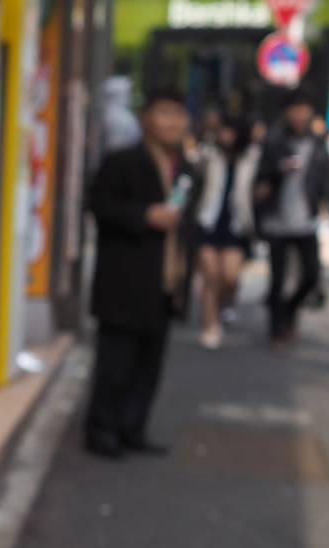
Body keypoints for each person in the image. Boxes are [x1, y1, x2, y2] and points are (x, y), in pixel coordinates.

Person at [84, 87, 194, 460]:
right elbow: (99, 205)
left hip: (165, 282)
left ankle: (133, 428)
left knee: (149, 365)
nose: (172, 122)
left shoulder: (186, 168)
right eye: (163, 113)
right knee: (115, 364)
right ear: (145, 118)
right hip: (124, 281)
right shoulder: (122, 161)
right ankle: (102, 430)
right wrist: (144, 216)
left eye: (178, 115)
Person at [254, 90, 329, 351]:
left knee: (311, 275)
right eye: (295, 109)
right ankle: (277, 329)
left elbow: (326, 178)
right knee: (277, 280)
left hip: (305, 219)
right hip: (277, 219)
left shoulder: (318, 142)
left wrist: (325, 206)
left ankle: (289, 312)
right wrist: (278, 171)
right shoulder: (274, 141)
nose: (300, 115)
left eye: (304, 108)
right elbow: (260, 177)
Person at [194, 118, 258, 348]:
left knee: (230, 277)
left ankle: (223, 306)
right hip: (208, 220)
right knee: (210, 276)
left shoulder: (251, 157)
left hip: (236, 224)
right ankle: (209, 325)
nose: (225, 137)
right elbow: (195, 173)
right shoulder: (210, 154)